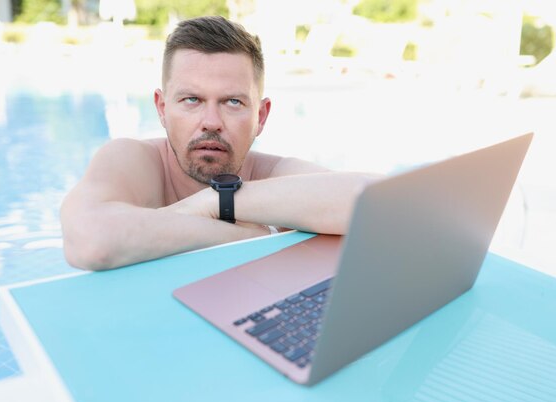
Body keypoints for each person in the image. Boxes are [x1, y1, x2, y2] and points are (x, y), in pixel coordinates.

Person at [61, 15, 378, 271]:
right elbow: (90, 241)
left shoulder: (273, 172)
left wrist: (215, 203)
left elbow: (377, 207)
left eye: (233, 102)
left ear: (262, 116)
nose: (211, 121)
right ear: (162, 109)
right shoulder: (134, 160)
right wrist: (241, 235)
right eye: (191, 99)